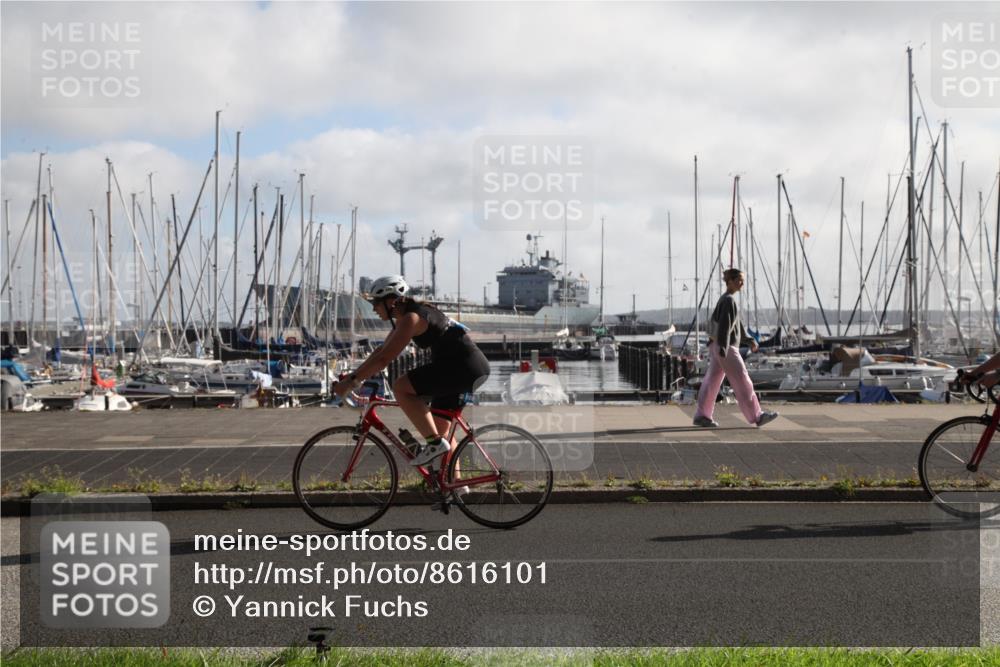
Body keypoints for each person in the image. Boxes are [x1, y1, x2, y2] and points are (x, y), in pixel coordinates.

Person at [332, 275, 490, 467]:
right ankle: (455, 488)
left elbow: (383, 360)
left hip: (463, 367)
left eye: (375, 302)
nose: (373, 308)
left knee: (401, 388)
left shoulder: (411, 318)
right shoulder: (409, 316)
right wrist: (353, 377)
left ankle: (434, 445)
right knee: (441, 432)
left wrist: (351, 382)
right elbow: (381, 351)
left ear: (390, 301)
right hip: (466, 367)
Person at [693, 268, 779, 428]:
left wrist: (749, 340)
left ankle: (702, 415)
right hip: (726, 348)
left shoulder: (726, 299)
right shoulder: (729, 301)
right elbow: (725, 327)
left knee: (711, 382)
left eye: (742, 280)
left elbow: (736, 326)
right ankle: (757, 416)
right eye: (739, 279)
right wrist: (724, 348)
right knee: (742, 381)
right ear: (730, 281)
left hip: (718, 345)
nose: (742, 283)